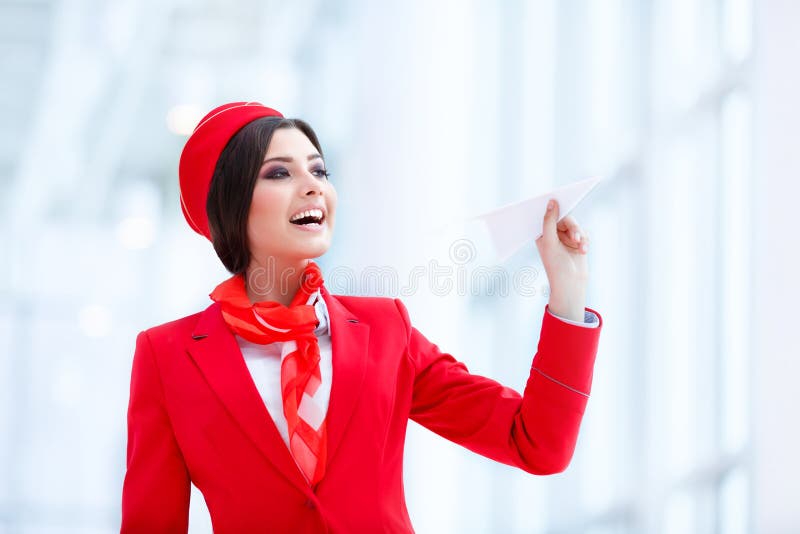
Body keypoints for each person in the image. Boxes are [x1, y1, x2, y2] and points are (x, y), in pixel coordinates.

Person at [120, 101, 603, 533]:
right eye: (280, 174)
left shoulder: (386, 330)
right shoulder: (168, 357)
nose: (312, 187)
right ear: (229, 203)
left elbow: (536, 443)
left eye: (319, 171)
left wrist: (567, 293)